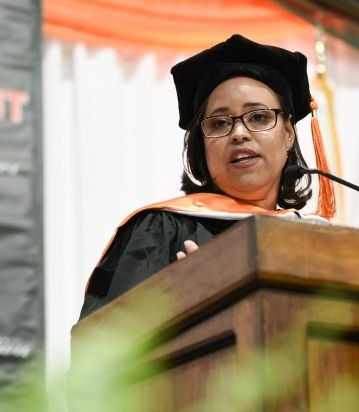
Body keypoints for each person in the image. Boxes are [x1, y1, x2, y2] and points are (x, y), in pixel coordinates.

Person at [79, 34, 336, 318]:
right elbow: (100, 352)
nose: (239, 133)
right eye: (220, 123)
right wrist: (180, 312)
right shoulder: (163, 230)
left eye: (259, 117)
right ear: (202, 145)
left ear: (288, 133)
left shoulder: (314, 243)